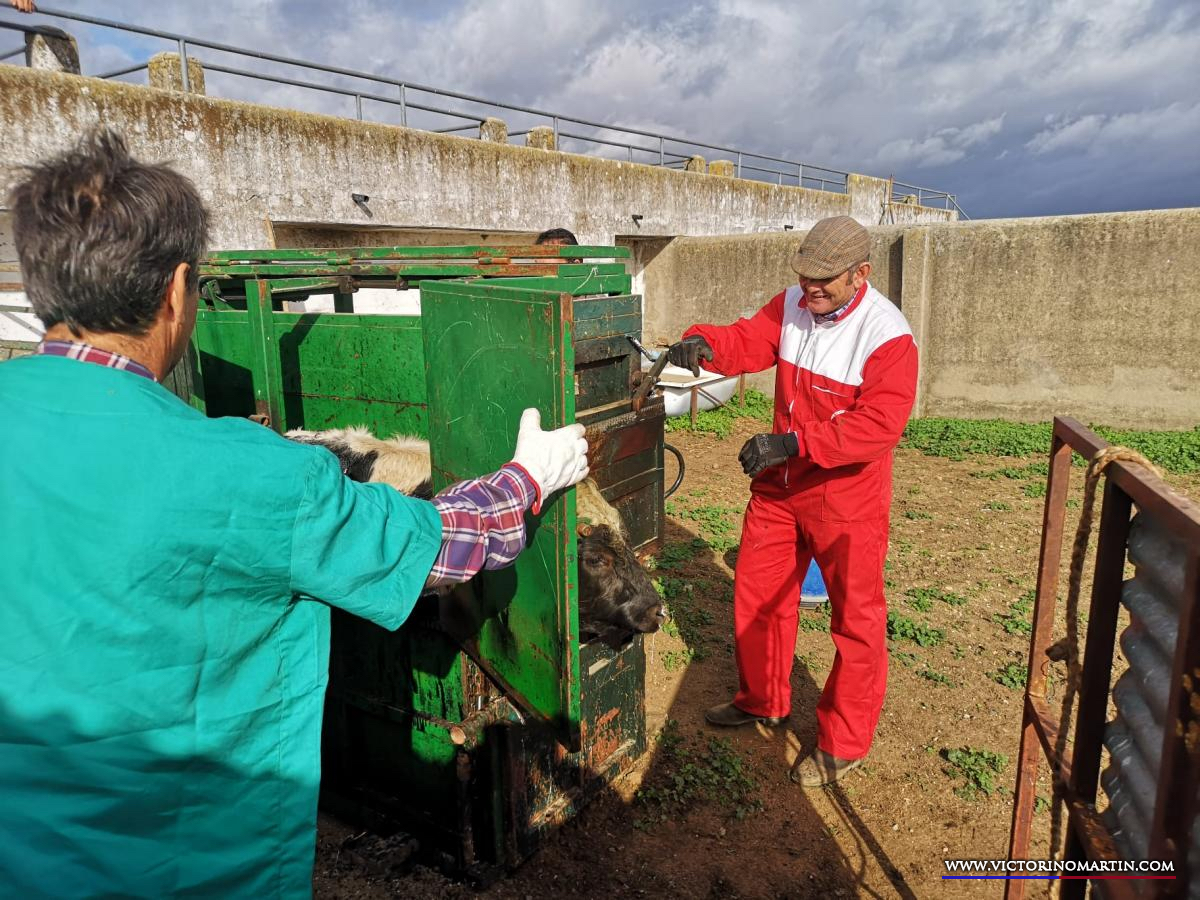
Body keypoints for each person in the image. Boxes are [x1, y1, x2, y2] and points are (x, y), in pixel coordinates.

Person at [0, 130, 589, 896]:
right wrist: (527, 477)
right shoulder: (251, 476)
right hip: (191, 864)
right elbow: (435, 549)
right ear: (177, 292)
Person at [666, 215, 918, 787]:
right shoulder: (792, 304)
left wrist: (795, 443)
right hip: (781, 489)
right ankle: (763, 698)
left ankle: (844, 741)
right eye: (805, 277)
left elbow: (878, 426)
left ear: (862, 274)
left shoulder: (888, 337)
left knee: (856, 618)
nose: (813, 289)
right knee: (758, 596)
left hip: (845, 497)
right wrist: (707, 343)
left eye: (826, 280)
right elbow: (750, 339)